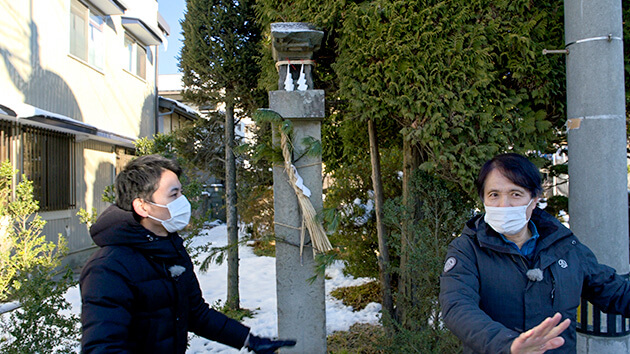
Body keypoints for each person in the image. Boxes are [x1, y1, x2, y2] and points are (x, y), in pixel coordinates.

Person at [80, 155, 295, 353]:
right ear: (143, 207)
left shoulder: (169, 249)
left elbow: (195, 313)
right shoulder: (108, 268)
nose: (184, 201)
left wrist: (250, 340)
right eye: (174, 194)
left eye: (181, 192)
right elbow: (103, 348)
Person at [439, 153, 630, 354]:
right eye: (494, 195)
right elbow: (457, 307)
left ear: (534, 199)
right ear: (483, 200)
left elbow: (613, 291)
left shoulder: (565, 246)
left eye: (515, 194)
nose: (504, 205)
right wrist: (508, 344)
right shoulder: (467, 249)